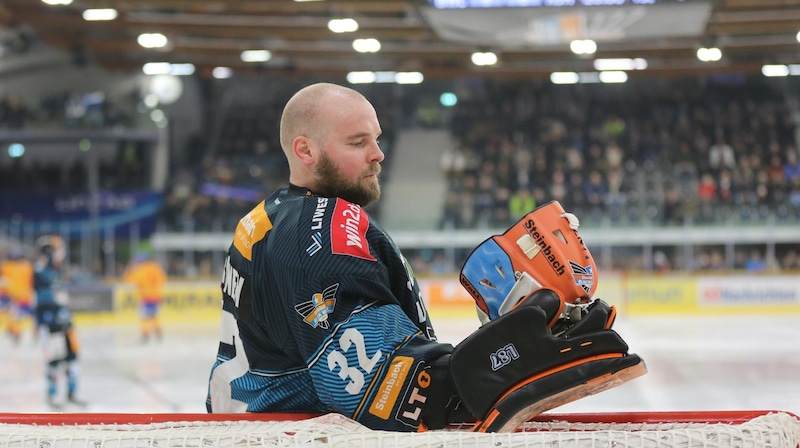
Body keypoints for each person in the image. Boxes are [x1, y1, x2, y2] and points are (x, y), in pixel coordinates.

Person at [206, 83, 645, 432]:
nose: (378, 154)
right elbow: (400, 397)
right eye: (358, 142)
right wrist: (515, 350)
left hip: (254, 427)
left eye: (376, 139)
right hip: (292, 435)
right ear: (305, 151)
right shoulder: (321, 229)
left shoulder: (268, 217)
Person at [33, 235, 85, 408]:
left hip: (63, 321)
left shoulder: (54, 271)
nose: (61, 254)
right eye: (58, 250)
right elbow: (45, 299)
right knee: (54, 360)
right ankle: (52, 395)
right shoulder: (42, 270)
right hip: (51, 324)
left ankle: (71, 393)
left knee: (72, 356)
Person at [123, 251, 167, 343]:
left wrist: (130, 268)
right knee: (153, 316)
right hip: (156, 296)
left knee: (145, 317)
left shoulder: (140, 270)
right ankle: (158, 332)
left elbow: (128, 279)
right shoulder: (155, 267)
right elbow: (162, 279)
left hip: (146, 297)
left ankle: (145, 334)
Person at [0, 247, 35, 343]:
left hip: (16, 295)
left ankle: (16, 332)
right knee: (23, 315)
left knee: (15, 315)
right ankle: (17, 332)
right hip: (24, 294)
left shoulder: (7, 266)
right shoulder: (27, 266)